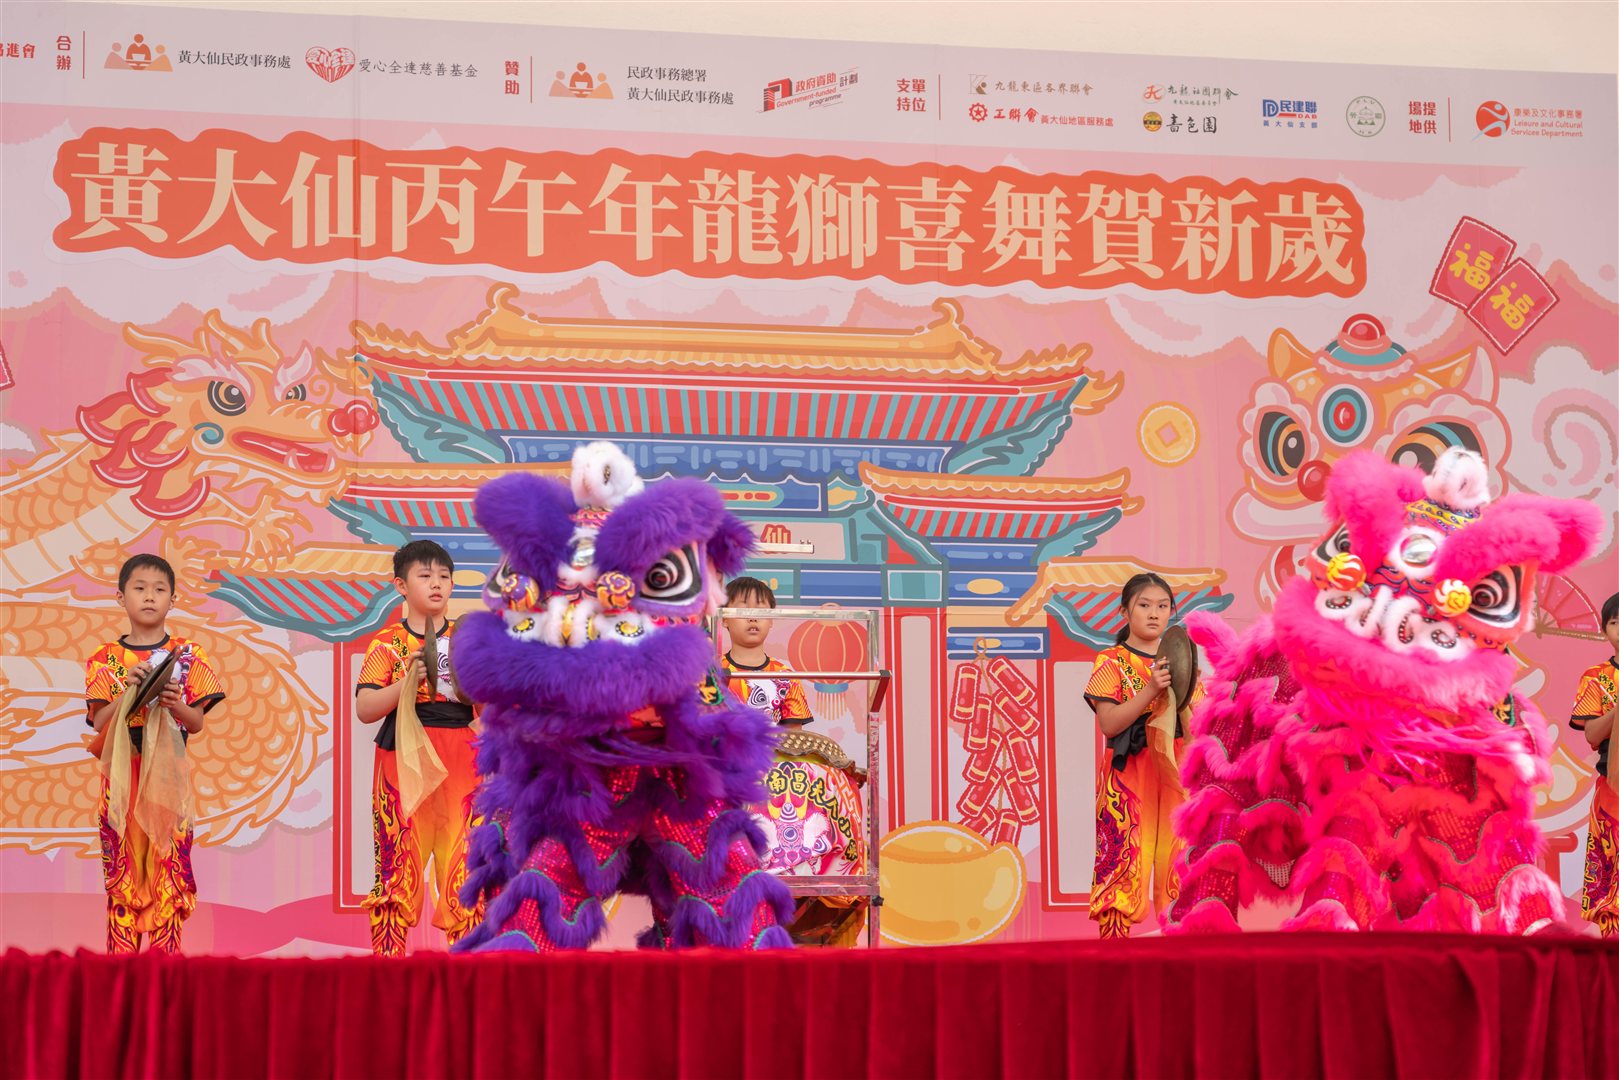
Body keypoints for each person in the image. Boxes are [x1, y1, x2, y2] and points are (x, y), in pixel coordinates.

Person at [84, 554, 225, 954]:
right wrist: (130, 691)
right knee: (123, 876)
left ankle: (166, 973)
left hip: (168, 780)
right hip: (121, 778)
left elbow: (195, 724)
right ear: (121, 597)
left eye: (159, 590)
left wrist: (175, 703)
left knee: (169, 874)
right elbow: (99, 722)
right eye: (140, 588)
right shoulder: (105, 658)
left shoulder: (189, 654)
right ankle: (121, 975)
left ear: (173, 600)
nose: (149, 597)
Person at [354, 540, 481, 956]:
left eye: (444, 576)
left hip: (462, 758)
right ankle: (388, 974)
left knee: (467, 870)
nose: (437, 584)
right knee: (396, 867)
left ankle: (469, 978)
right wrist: (408, 681)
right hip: (404, 759)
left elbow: (491, 707)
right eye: (425, 576)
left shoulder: (469, 639)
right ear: (401, 586)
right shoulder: (387, 643)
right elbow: (365, 708)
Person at [1083, 572, 1203, 939]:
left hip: (1176, 770)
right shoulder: (1112, 661)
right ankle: (1114, 956)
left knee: (1180, 862)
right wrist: (1151, 689)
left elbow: (1200, 726)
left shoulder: (1183, 662)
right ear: (1125, 612)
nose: (1154, 613)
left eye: (1163, 606)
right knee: (1124, 860)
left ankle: (1181, 951)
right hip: (1129, 775)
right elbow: (1109, 724)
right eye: (1144, 605)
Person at [1573, 591, 1619, 938]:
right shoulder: (1597, 677)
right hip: (1613, 790)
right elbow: (1591, 734)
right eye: (1615, 623)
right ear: (1605, 630)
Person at [722, 576, 813, 726]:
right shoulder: (712, 672)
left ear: (771, 619)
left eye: (760, 611)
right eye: (743, 610)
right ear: (724, 618)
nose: (752, 618)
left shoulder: (787, 677)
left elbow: (794, 737)